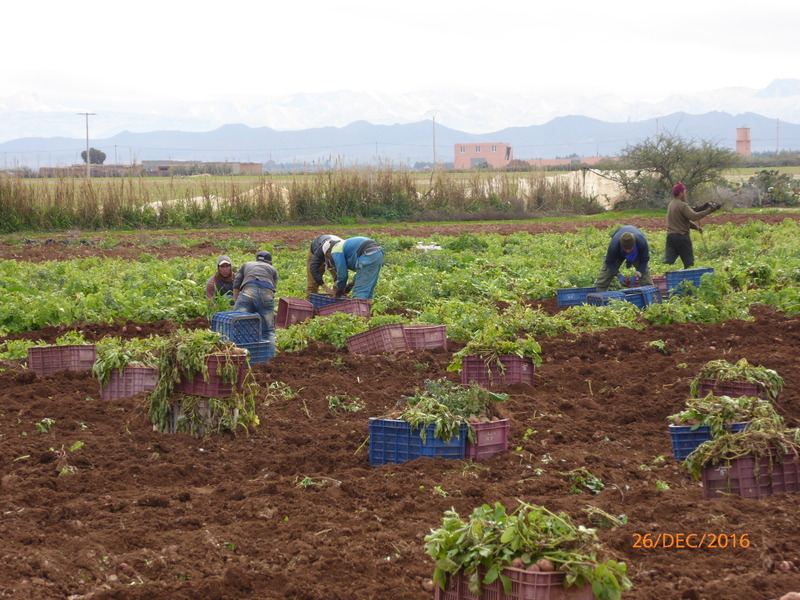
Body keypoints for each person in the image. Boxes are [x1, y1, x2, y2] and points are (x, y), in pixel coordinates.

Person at [664, 182, 718, 268]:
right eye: (684, 191)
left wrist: (696, 227)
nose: (685, 193)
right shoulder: (683, 205)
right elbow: (694, 216)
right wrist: (709, 210)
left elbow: (683, 221)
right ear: (681, 193)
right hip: (682, 238)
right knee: (689, 264)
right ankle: (689, 280)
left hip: (671, 237)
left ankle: (663, 278)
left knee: (668, 262)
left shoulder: (671, 204)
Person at [232, 250, 279, 343]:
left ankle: (239, 351)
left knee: (238, 322)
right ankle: (270, 355)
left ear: (256, 260)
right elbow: (272, 289)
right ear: (270, 263)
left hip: (249, 290)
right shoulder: (273, 270)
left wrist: (237, 302)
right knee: (268, 330)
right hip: (267, 292)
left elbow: (236, 284)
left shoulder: (247, 265)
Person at [594, 225, 653, 292]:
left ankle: (650, 295)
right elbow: (609, 262)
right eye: (625, 249)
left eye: (630, 249)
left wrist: (637, 275)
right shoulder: (614, 245)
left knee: (645, 274)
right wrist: (618, 275)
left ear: (634, 244)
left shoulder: (641, 242)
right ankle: (598, 293)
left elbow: (644, 260)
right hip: (619, 254)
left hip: (636, 254)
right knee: (605, 275)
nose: (627, 251)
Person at [325, 236, 384, 301]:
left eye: (327, 256)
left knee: (360, 291)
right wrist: (350, 285)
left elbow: (342, 274)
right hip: (378, 253)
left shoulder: (335, 250)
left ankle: (358, 311)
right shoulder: (344, 245)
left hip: (367, 254)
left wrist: (340, 289)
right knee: (368, 290)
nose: (329, 258)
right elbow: (362, 273)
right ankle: (367, 309)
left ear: (328, 251)